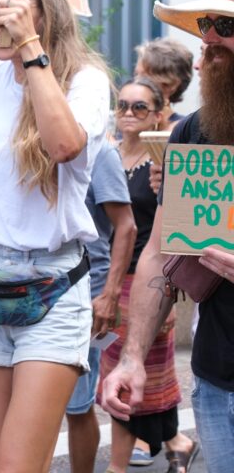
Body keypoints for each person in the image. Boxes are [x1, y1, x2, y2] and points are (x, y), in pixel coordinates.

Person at [0, 0, 111, 472]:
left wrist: (31, 53)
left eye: (13, 9)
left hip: (52, 287)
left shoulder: (85, 81)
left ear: (45, 16)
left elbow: (64, 146)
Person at [102, 0, 234, 472]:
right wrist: (133, 357)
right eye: (206, 26)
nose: (209, 42)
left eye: (227, 27)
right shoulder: (196, 131)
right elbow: (161, 251)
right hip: (218, 385)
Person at [96, 78, 197, 472]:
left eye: (139, 107)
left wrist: (166, 293)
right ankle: (174, 440)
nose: (128, 114)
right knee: (119, 370)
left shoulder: (163, 161)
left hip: (147, 280)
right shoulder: (105, 155)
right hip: (111, 278)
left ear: (158, 114)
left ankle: (122, 464)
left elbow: (170, 231)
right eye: (122, 106)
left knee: (151, 377)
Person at [64, 143, 136, 473]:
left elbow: (126, 226)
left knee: (76, 407)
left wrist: (109, 295)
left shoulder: (100, 151)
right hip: (29, 291)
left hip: (83, 292)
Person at [134, 38, 194, 129]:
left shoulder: (183, 130)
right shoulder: (126, 119)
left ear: (170, 85)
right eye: (135, 75)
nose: (135, 82)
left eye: (144, 78)